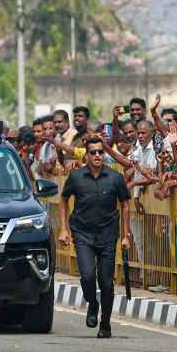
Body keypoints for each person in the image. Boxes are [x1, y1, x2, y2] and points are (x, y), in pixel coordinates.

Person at [58, 136, 132, 339]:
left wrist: (126, 235)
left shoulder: (115, 178)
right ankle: (92, 302)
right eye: (93, 152)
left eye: (100, 152)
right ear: (87, 155)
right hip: (83, 234)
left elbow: (125, 204)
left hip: (108, 235)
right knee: (88, 276)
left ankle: (105, 323)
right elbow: (63, 200)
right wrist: (63, 229)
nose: (97, 155)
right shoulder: (76, 177)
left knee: (107, 282)